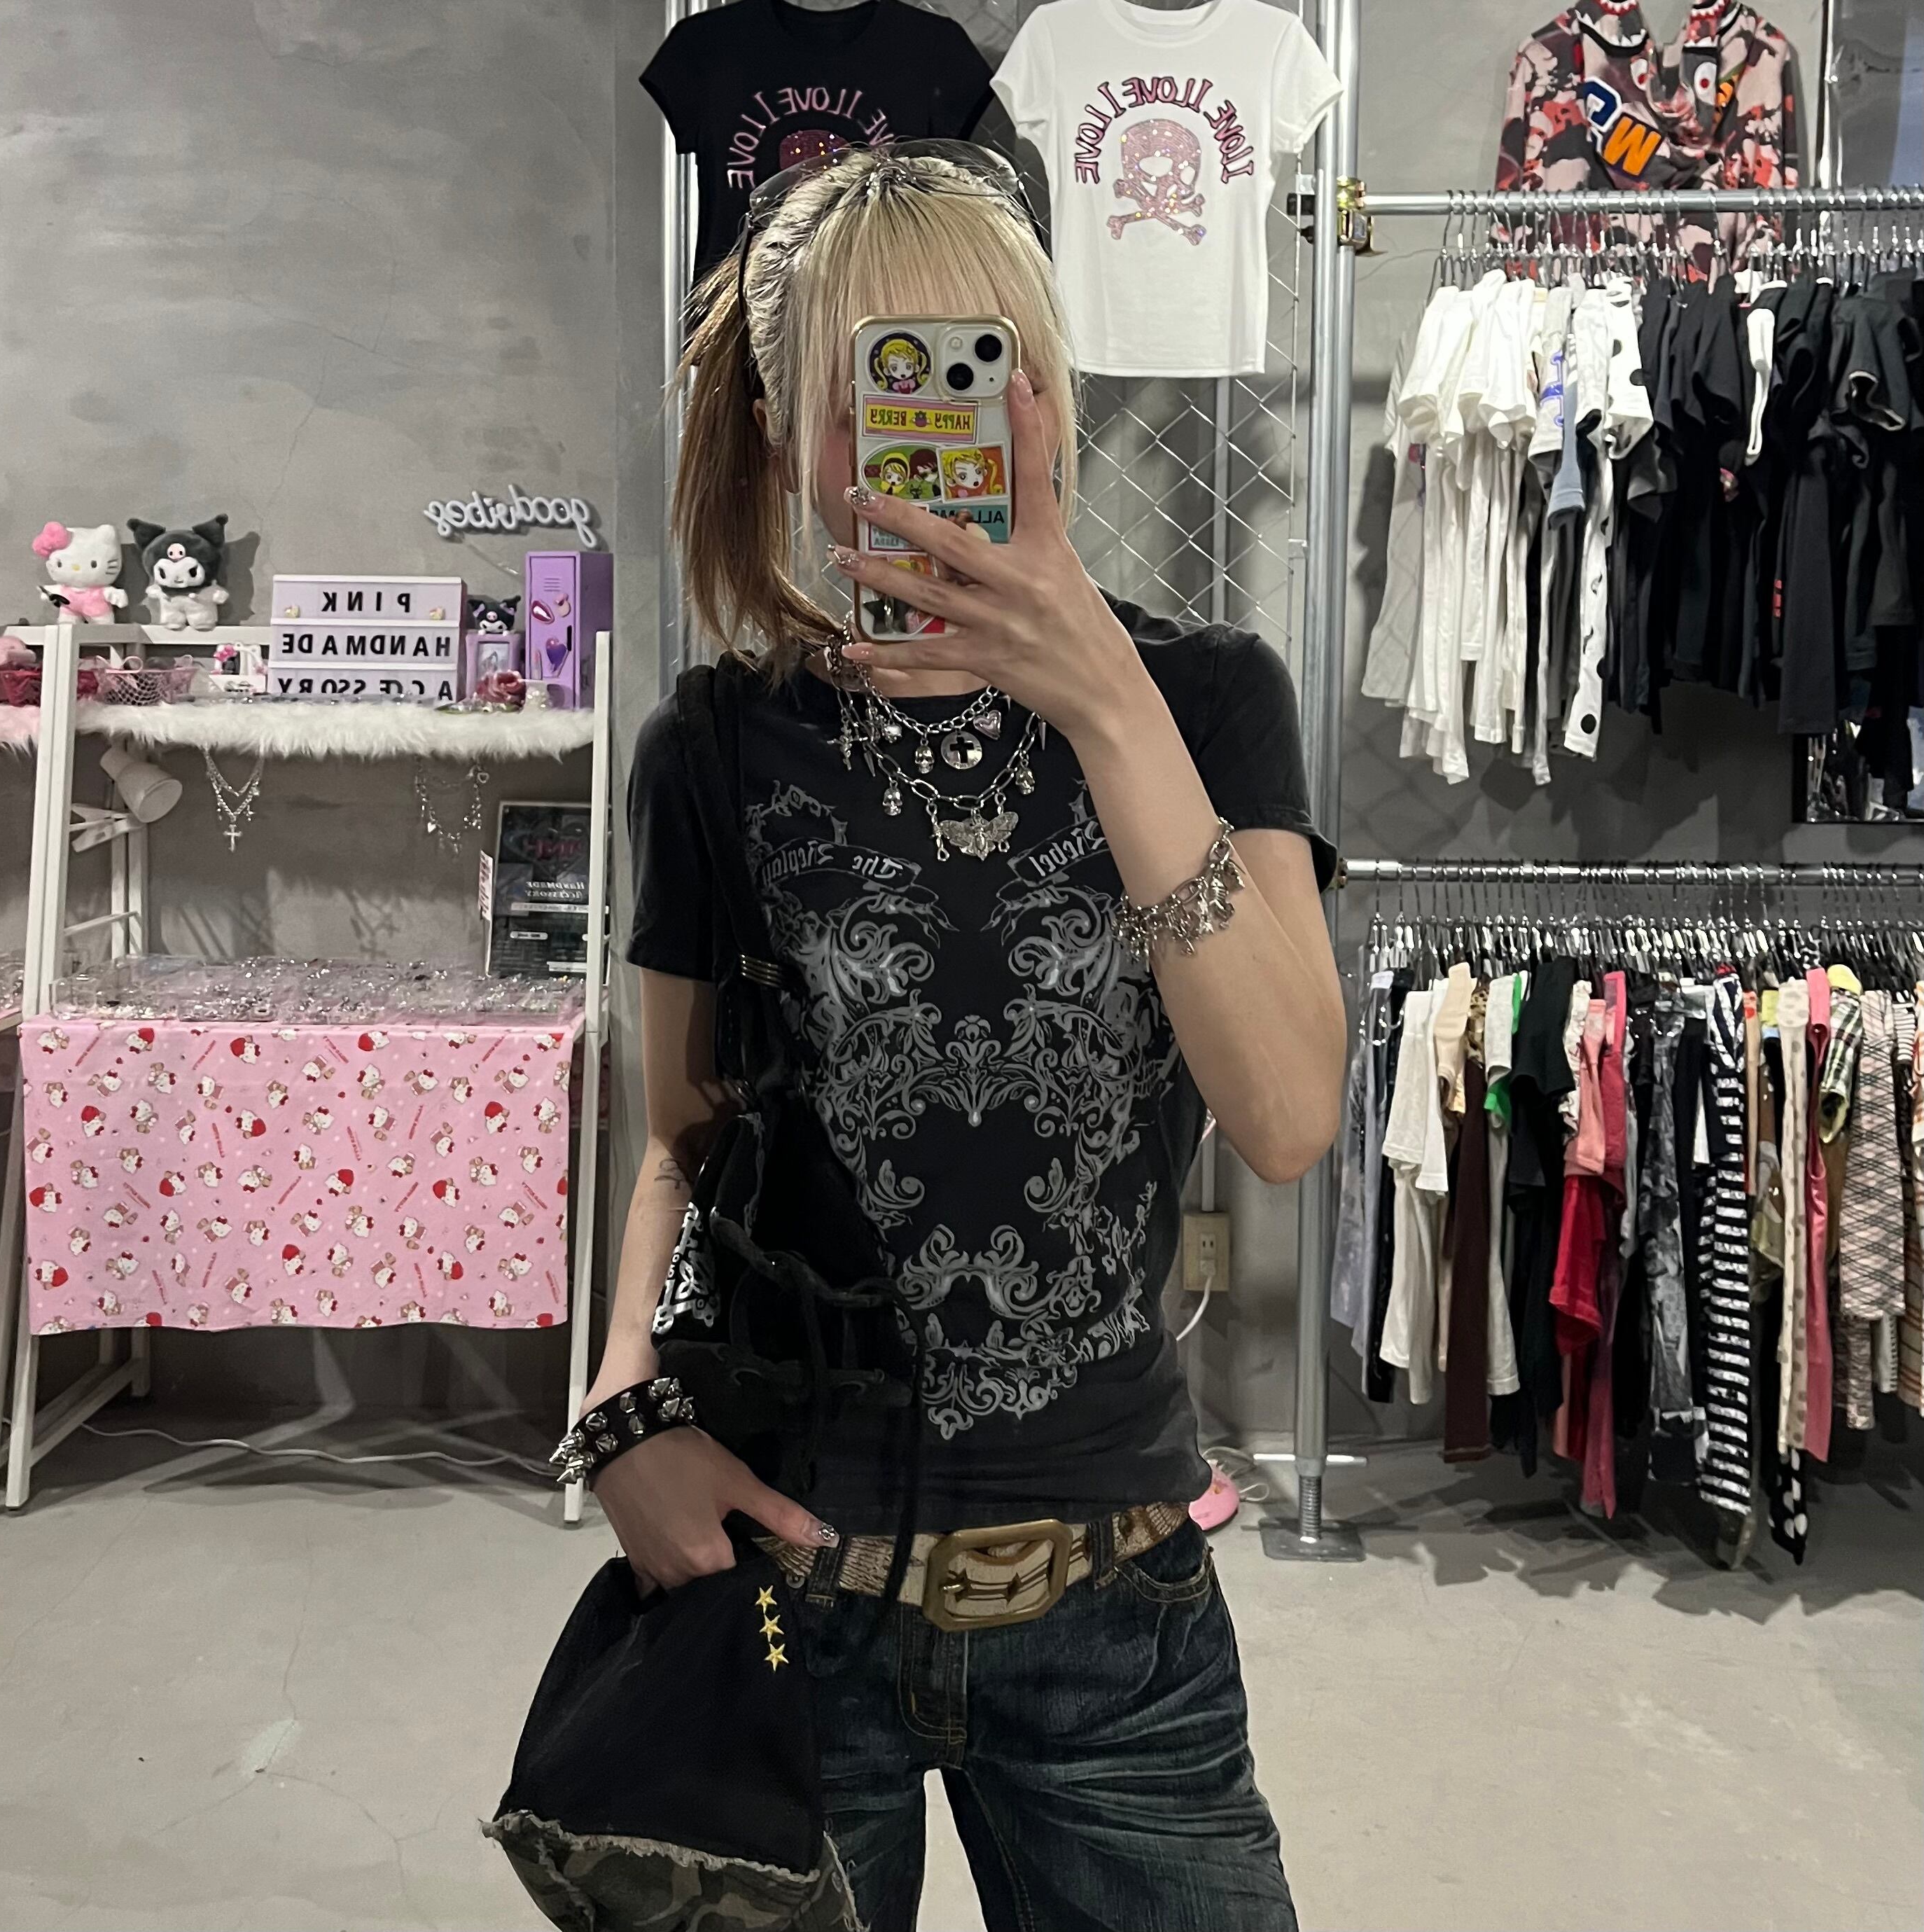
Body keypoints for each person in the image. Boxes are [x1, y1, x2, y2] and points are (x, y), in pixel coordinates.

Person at [596, 144, 1344, 1932]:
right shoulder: (709, 748)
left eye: (983, 369)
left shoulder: (1205, 699)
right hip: (784, 1584)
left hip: (1113, 1610)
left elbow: (1288, 1113)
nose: (936, 433)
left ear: (1049, 400)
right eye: (878, 385)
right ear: (788, 433)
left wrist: (1103, 701)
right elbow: (685, 1133)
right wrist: (618, 1404)